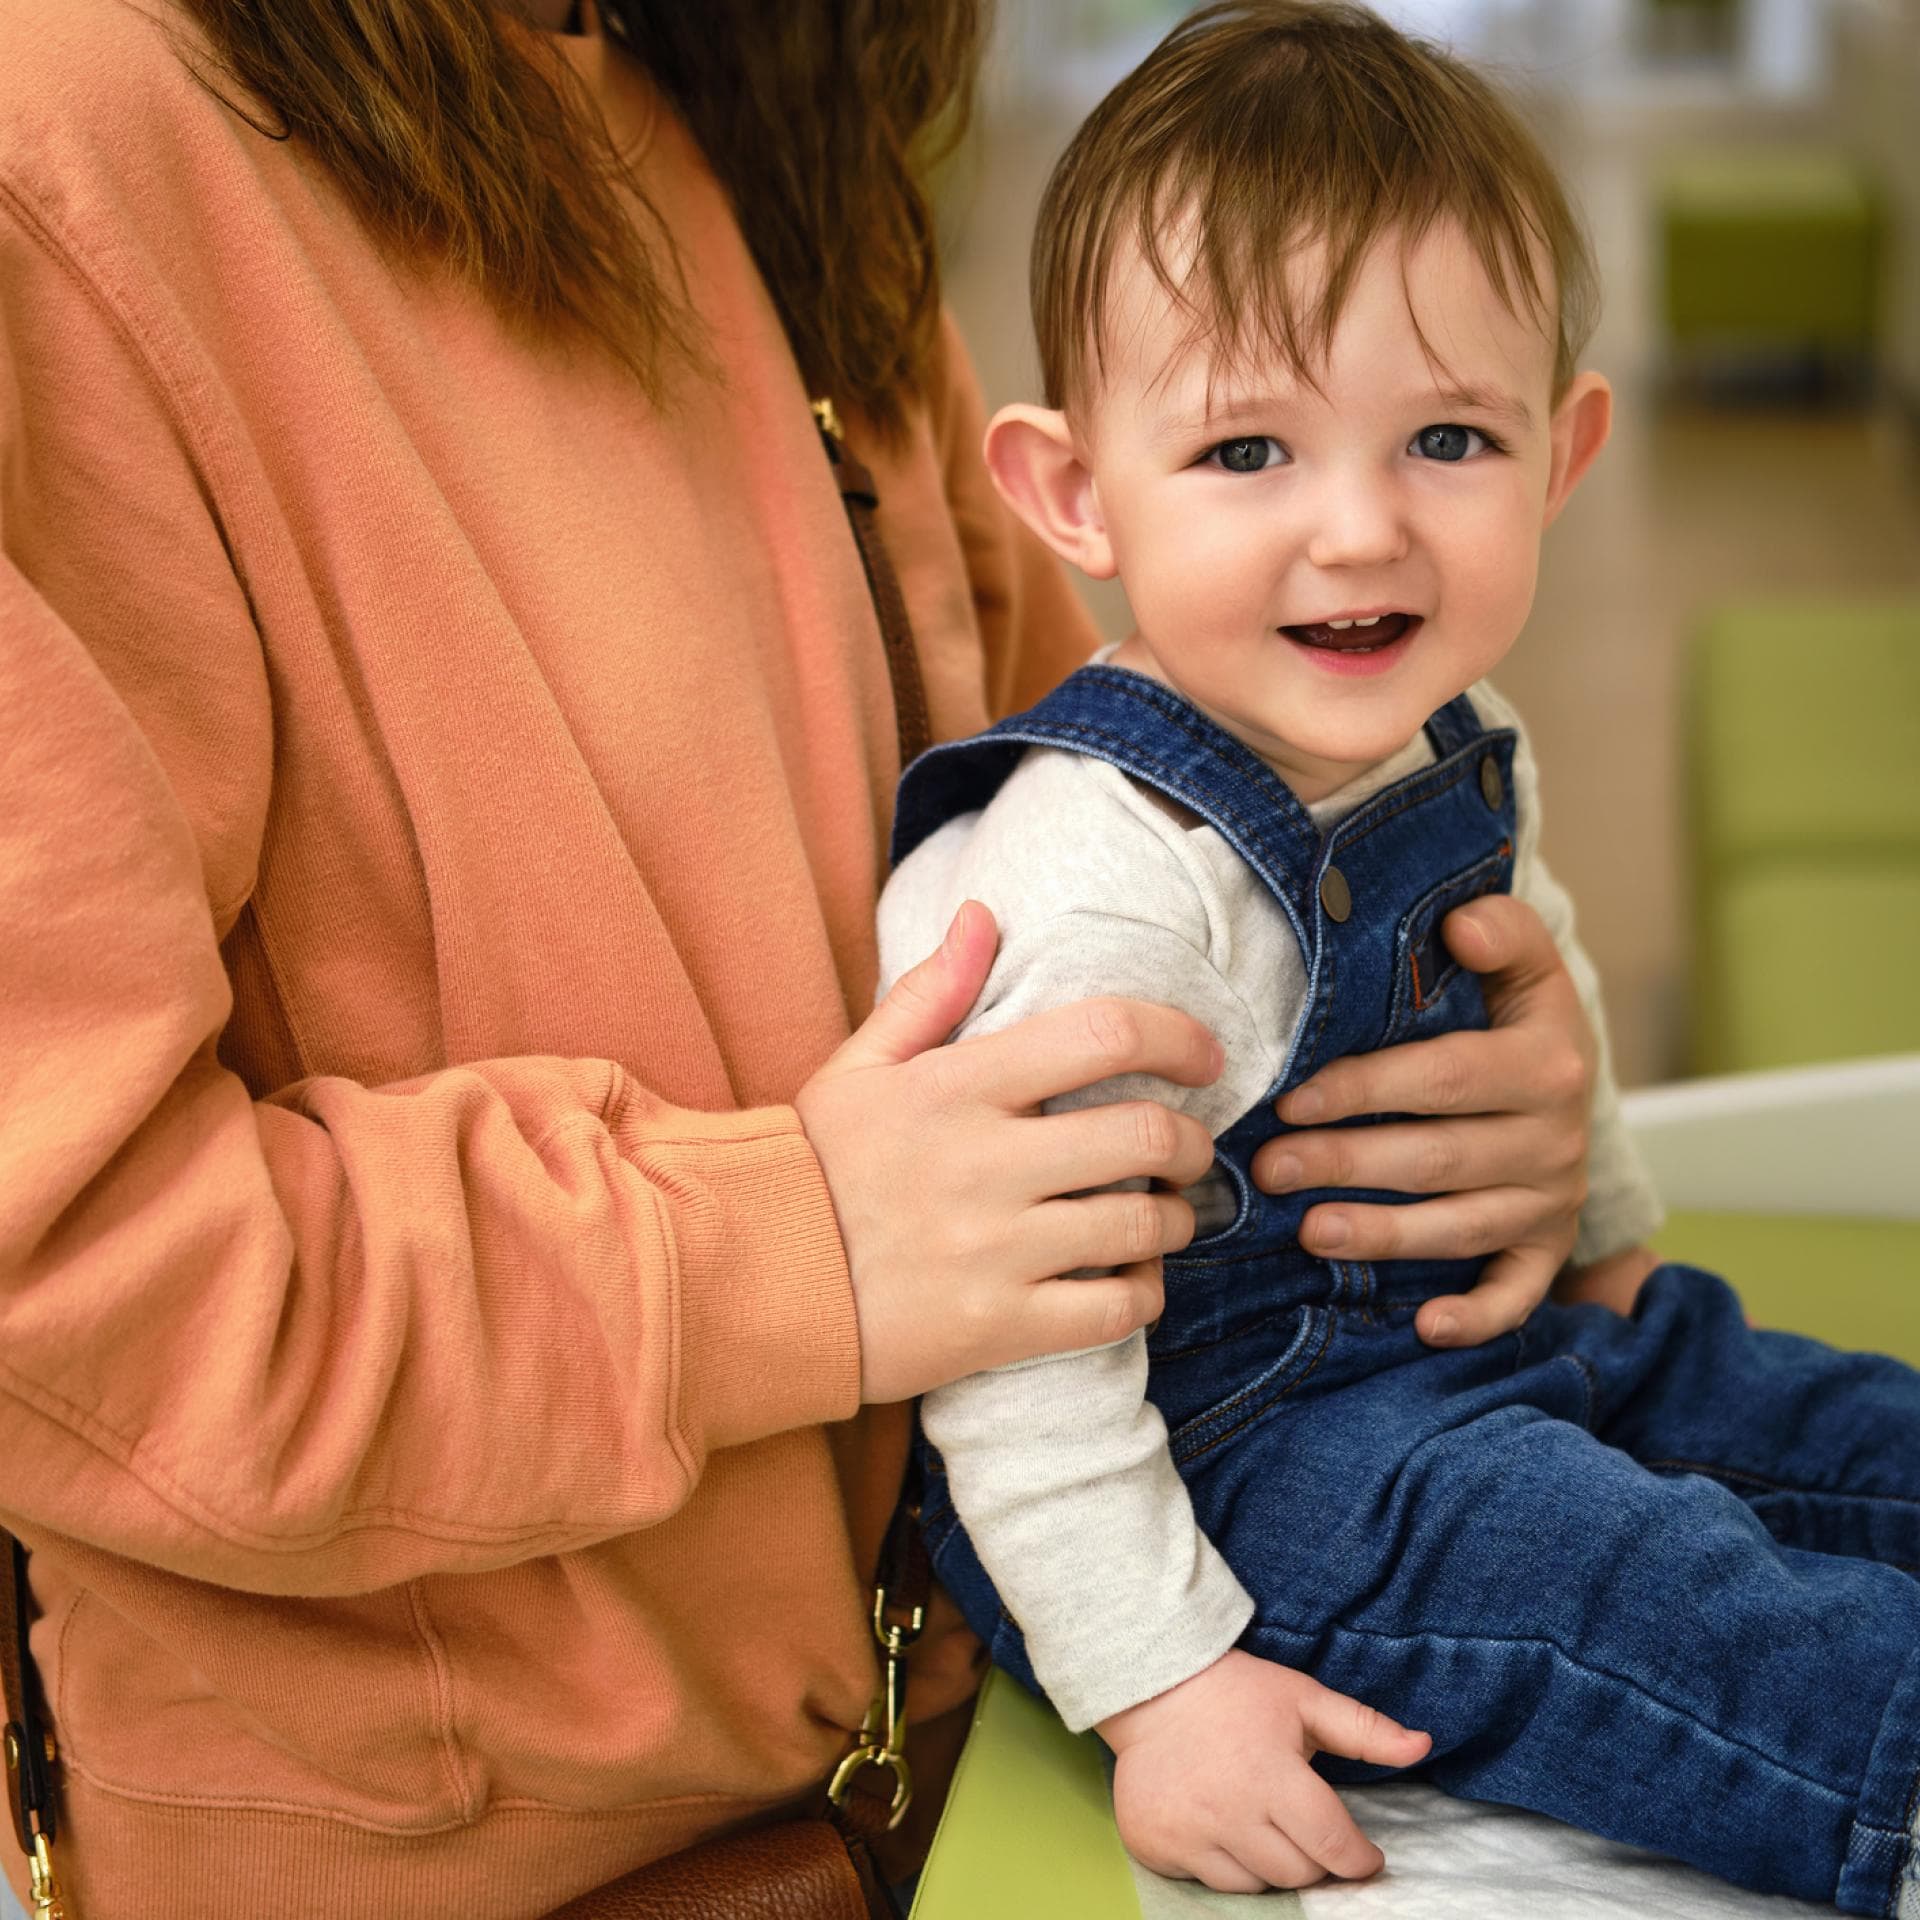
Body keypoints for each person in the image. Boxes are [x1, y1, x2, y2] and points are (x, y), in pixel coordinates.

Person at [0, 0, 1620, 1913]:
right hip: (498, 1862)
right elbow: (73, 1285)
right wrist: (787, 1253)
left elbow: (1140, 823)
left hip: (1035, 1719)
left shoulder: (754, 86)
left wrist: (1468, 1087)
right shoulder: (59, 159)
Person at [875, 3, 1920, 1911]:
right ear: (1074, 491)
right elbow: (1018, 1349)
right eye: (1247, 449)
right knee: (1661, 1607)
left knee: (1831, 1420)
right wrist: (1162, 1686)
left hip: (1489, 1334)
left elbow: (1542, 964)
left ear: (1564, 449)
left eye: (1447, 438)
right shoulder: (1102, 882)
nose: (1358, 531)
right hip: (1242, 1476)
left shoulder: (1443, 726)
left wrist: (1604, 1235)